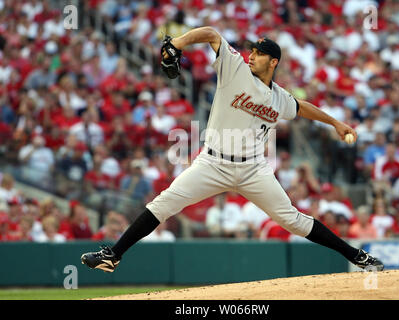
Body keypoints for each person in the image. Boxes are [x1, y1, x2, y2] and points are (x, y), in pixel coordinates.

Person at [81, 26, 383, 272]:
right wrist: (178, 43)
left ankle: (355, 256)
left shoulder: (279, 98)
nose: (251, 55)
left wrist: (335, 123)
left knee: (291, 219)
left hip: (253, 169)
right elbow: (212, 34)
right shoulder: (234, 69)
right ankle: (114, 254)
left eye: (259, 53)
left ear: (273, 62)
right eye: (252, 50)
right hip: (212, 163)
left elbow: (300, 107)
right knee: (164, 204)